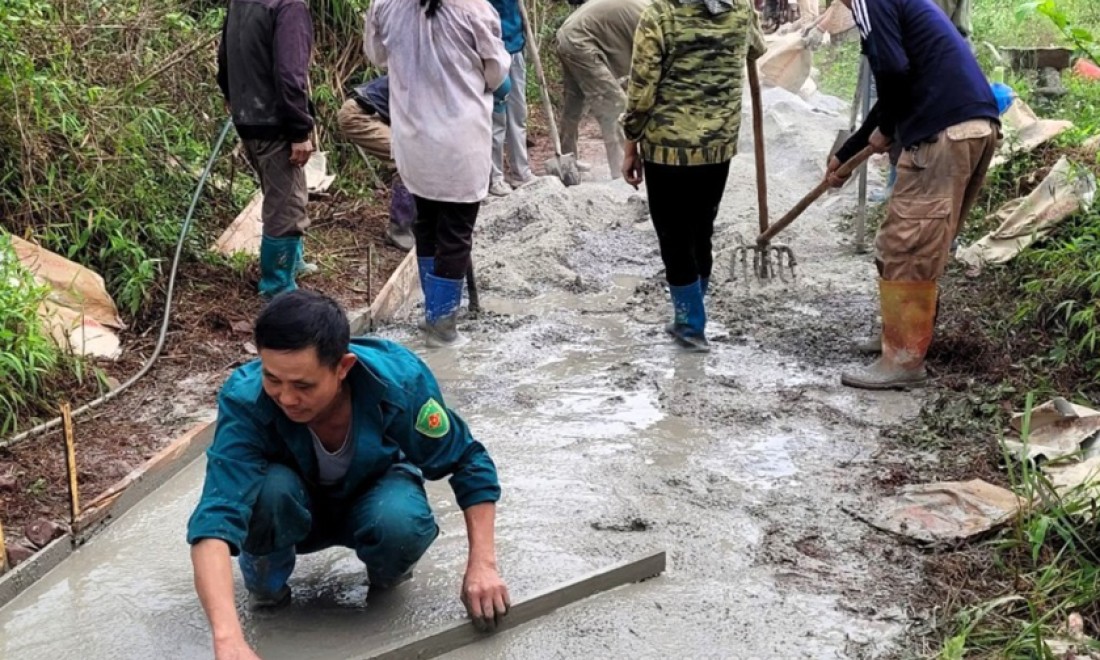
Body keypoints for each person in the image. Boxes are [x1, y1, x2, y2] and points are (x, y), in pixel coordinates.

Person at [187, 291, 509, 660]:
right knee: (268, 492)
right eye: (272, 379)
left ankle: (386, 580)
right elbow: (216, 516)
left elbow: (467, 460)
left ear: (343, 367)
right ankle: (268, 591)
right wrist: (228, 639)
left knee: (400, 522)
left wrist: (483, 566)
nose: (286, 398)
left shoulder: (399, 382)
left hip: (374, 495)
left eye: (303, 386)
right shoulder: (245, 400)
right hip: (291, 505)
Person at [827, 0, 1001, 390]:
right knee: (918, 243)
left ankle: (904, 358)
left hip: (945, 131)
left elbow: (892, 70)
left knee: (908, 245)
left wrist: (886, 128)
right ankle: (901, 337)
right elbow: (897, 79)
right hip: (971, 125)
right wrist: (847, 153)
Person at [365, 0, 512, 346]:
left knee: (427, 227)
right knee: (456, 233)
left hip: (413, 137)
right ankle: (443, 328)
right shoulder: (473, 9)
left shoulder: (385, 6)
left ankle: (435, 316)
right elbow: (496, 74)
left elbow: (378, 56)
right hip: (460, 142)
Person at [621, 0, 766, 352]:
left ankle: (689, 324)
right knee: (701, 228)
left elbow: (641, 90)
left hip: (668, 148)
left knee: (674, 235)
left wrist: (630, 143)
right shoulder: (742, 9)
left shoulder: (660, 14)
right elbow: (757, 48)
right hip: (717, 146)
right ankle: (694, 312)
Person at [217, 0, 316, 299]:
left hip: (248, 117)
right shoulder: (289, 6)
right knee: (286, 206)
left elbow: (224, 57)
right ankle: (277, 285)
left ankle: (293, 262)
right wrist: (299, 129)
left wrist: (232, 97)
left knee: (282, 192)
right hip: (275, 122)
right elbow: (290, 74)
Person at [556, 0, 650, 180]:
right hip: (579, 42)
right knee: (615, 106)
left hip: (570, 35)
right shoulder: (654, 18)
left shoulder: (647, 7)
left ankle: (567, 159)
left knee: (573, 105)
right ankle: (621, 172)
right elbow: (645, 68)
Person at [336, 76, 417, 251]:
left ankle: (414, 223)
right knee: (408, 161)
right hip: (360, 115)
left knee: (417, 157)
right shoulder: (425, 77)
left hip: (372, 113)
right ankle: (399, 230)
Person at [487, 0, 537, 197]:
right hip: (492, 51)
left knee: (518, 114)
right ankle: (495, 177)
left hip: (516, 46)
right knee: (496, 118)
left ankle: (521, 172)